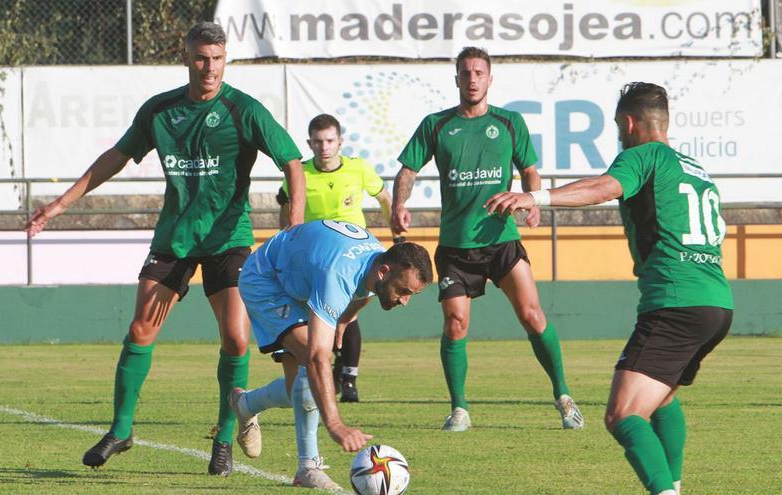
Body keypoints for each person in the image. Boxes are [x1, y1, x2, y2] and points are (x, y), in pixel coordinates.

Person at [24, 21, 306, 477]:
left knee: (235, 338)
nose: (209, 67)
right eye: (200, 57)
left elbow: (292, 162)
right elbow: (114, 158)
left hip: (228, 241)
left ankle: (224, 438)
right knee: (140, 330)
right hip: (174, 239)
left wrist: (293, 223)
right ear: (187, 56)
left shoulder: (245, 110)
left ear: (225, 59)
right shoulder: (160, 111)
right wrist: (59, 204)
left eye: (216, 59)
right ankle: (120, 430)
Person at [485, 82, 733, 495]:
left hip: (675, 301)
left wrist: (535, 196)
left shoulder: (643, 155)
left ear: (630, 122)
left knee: (622, 414)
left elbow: (604, 187)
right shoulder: (696, 170)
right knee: (662, 400)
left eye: (620, 126)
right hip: (716, 303)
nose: (620, 134)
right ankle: (673, 485)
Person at [391, 46, 583, 432]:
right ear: (457, 79)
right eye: (466, 72)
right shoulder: (437, 124)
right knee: (456, 324)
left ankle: (563, 397)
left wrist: (532, 201)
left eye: (479, 72)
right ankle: (459, 409)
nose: (473, 78)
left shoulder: (509, 123)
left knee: (532, 315)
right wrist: (399, 204)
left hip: (502, 240)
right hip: (456, 247)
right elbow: (408, 169)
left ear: (490, 78)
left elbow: (529, 169)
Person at [228, 220, 432, 489]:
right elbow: (316, 359)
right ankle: (308, 468)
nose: (405, 301)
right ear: (384, 271)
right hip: (267, 279)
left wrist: (344, 320)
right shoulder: (339, 274)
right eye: (404, 291)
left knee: (297, 392)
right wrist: (335, 424)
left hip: (300, 281)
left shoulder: (376, 264)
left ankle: (245, 404)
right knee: (310, 363)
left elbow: (367, 290)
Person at [276, 113, 393, 402]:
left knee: (349, 316)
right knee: (317, 315)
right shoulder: (299, 173)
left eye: (329, 140)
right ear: (309, 143)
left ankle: (349, 379)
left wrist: (395, 230)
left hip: (353, 256)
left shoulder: (358, 169)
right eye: (318, 141)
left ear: (340, 142)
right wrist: (285, 240)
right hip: (315, 258)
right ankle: (317, 376)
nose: (324, 147)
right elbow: (286, 205)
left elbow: (384, 198)